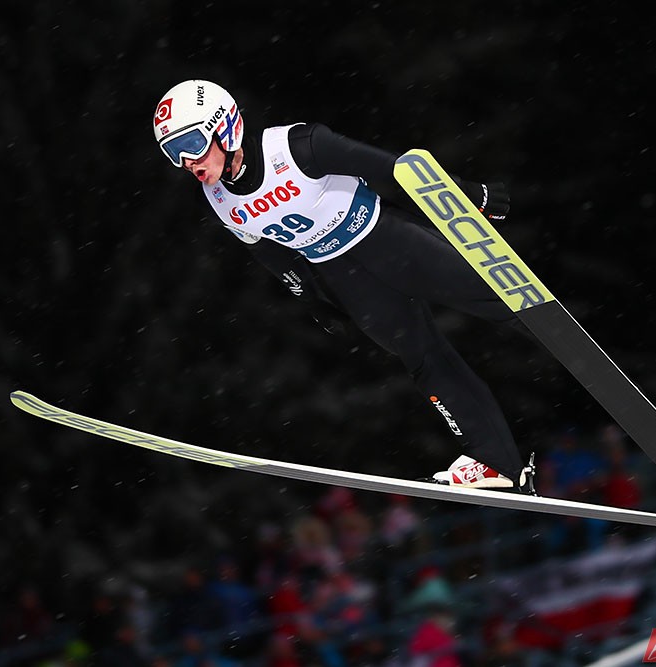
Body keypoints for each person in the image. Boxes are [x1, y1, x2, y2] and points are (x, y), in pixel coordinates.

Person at [152, 79, 535, 492]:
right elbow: (269, 252)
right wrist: (312, 299)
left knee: (506, 302)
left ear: (225, 127)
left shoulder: (296, 147)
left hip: (389, 241)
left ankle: (576, 345)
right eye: (173, 152)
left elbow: (394, 169)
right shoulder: (218, 199)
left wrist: (465, 195)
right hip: (347, 278)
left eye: (191, 144)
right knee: (422, 357)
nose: (186, 161)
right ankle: (497, 462)